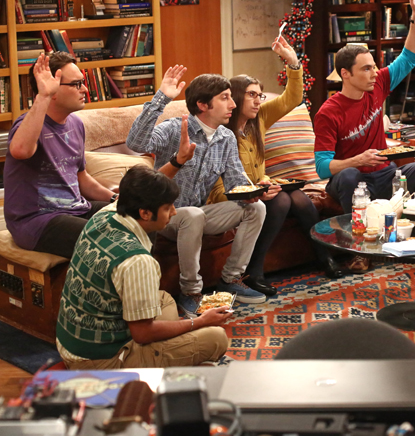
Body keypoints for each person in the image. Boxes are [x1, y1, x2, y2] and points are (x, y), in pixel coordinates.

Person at [313, 0, 415, 272]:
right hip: (350, 180)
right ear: (346, 74)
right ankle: (360, 250)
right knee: (350, 176)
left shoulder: (378, 85)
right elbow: (322, 167)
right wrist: (357, 160)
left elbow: (410, 57)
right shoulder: (328, 112)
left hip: (385, 174)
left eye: (374, 66)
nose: (375, 72)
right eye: (366, 68)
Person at [208, 35, 344, 294]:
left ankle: (324, 256)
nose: (258, 101)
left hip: (262, 187)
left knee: (299, 197)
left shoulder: (259, 118)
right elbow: (219, 185)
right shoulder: (222, 132)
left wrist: (293, 63)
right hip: (235, 195)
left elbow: (291, 99)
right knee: (282, 200)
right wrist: (258, 189)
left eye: (259, 95)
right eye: (251, 95)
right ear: (235, 98)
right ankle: (255, 271)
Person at [56, 166, 230, 369]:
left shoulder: (103, 215)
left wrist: (175, 163)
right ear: (145, 213)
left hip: (72, 344)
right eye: (167, 208)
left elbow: (136, 188)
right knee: (216, 338)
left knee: (164, 299)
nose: (174, 212)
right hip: (100, 360)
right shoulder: (138, 261)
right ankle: (156, 366)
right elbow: (142, 334)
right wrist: (200, 322)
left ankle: (165, 354)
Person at [126, 66, 267, 317]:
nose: (233, 104)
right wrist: (161, 98)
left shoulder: (226, 137)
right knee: (192, 215)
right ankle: (190, 292)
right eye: (225, 98)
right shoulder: (175, 128)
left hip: (199, 214)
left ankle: (231, 278)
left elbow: (236, 183)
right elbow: (136, 142)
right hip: (165, 217)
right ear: (202, 105)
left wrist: (256, 190)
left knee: (256, 208)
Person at [4, 52, 119, 259]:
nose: (85, 89)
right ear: (53, 90)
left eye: (83, 83)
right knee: (108, 240)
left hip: (77, 209)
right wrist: (43, 96)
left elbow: (81, 177)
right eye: (76, 84)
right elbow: (20, 151)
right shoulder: (28, 125)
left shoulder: (76, 124)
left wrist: (115, 199)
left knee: (137, 219)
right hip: (37, 220)